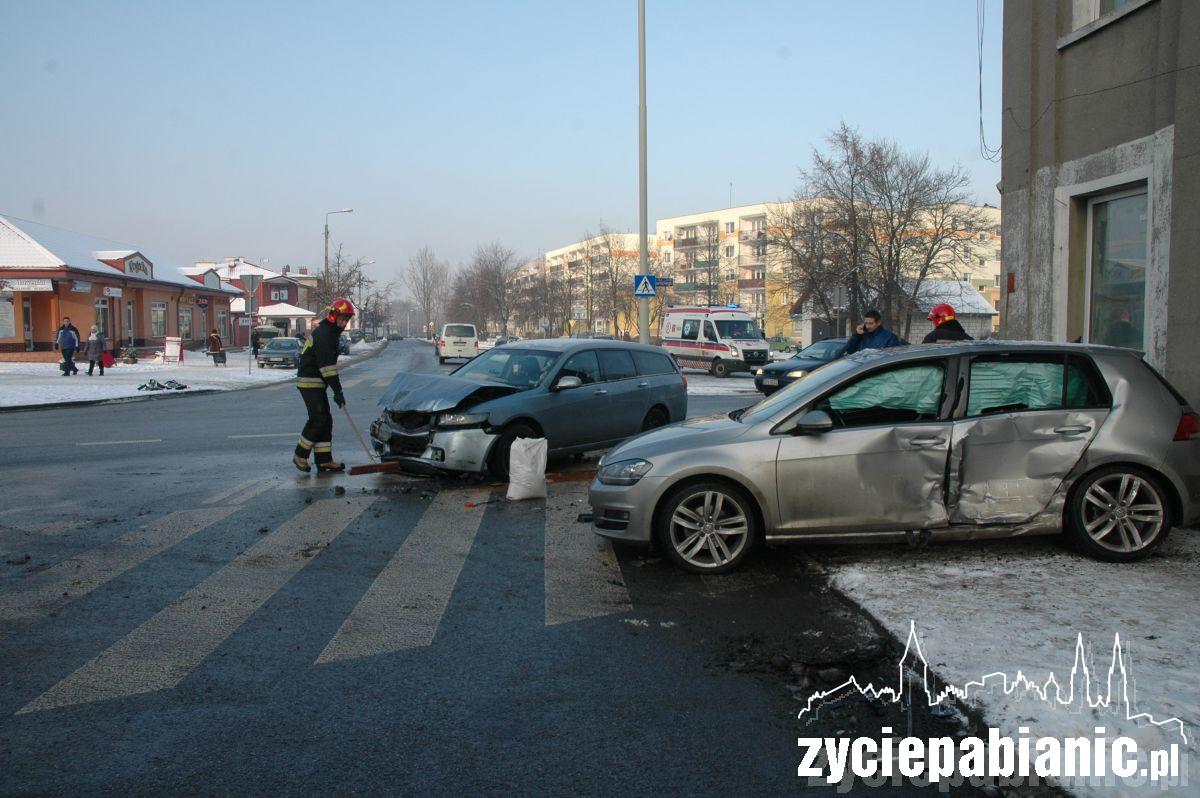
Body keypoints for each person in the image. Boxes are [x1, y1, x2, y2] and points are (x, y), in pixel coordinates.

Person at [294, 298, 355, 473]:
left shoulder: (329, 332)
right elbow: (327, 368)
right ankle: (300, 454)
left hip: (316, 382)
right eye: (342, 319)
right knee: (318, 419)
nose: (344, 323)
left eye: (346, 320)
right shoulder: (326, 335)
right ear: (334, 316)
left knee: (326, 420)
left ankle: (324, 460)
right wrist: (338, 391)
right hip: (310, 381)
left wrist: (336, 390)